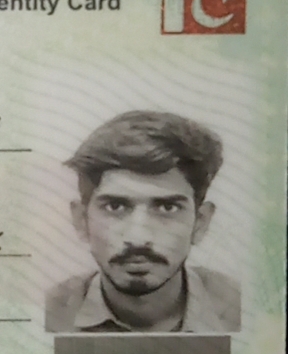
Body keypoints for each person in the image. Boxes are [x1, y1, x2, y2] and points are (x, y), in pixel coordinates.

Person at [46, 110, 240, 332]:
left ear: (200, 222)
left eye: (167, 208)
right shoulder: (43, 315)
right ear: (82, 221)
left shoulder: (247, 311)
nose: (138, 238)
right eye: (115, 207)